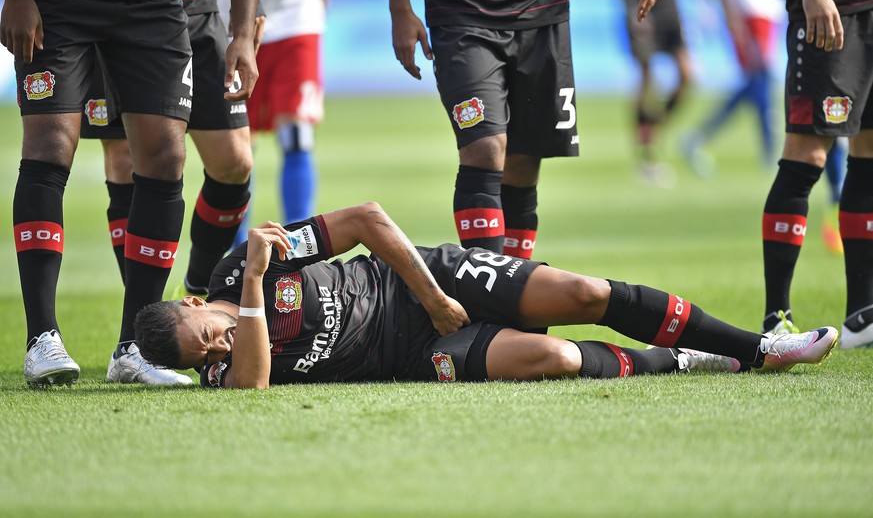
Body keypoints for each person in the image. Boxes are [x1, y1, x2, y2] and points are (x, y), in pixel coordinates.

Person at [133, 202, 838, 389]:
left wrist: (433, 293)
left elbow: (368, 221)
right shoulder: (229, 359)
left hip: (428, 285)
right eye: (207, 356)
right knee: (559, 359)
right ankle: (688, 362)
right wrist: (254, 282)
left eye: (210, 333)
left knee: (586, 292)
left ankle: (760, 346)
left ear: (194, 304)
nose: (218, 347)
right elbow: (252, 379)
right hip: (418, 351)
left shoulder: (233, 269)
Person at [4, 0, 260, 388]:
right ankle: (42, 337)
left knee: (165, 156)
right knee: (50, 147)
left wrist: (241, 33)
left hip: (153, 8)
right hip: (61, 6)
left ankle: (132, 349)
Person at [77, 0, 264, 384]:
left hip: (198, 18)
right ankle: (139, 341)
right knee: (128, 160)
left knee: (234, 162)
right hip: (120, 18)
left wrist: (243, 30)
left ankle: (198, 291)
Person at [389, 0, 658, 260]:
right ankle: (485, 291)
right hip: (462, 16)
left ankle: (515, 290)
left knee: (524, 161)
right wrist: (400, 9)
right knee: (485, 147)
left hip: (543, 15)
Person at [760, 0, 873, 349]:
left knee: (868, 151)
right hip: (835, 11)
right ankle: (776, 318)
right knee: (806, 156)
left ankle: (862, 315)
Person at [230, 0, 327, 247]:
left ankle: (299, 246)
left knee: (296, 135)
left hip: (296, 19)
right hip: (232, 25)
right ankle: (237, 251)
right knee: (237, 143)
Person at [681, 0, 783, 179]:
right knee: (761, 82)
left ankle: (697, 138)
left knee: (758, 88)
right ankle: (771, 155)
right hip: (753, 12)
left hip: (765, 13)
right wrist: (732, 18)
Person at [622, 0, 693, 187]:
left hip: (667, 5)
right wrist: (629, 8)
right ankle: (647, 157)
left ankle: (655, 128)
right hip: (639, 2)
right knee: (646, 78)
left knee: (687, 74)